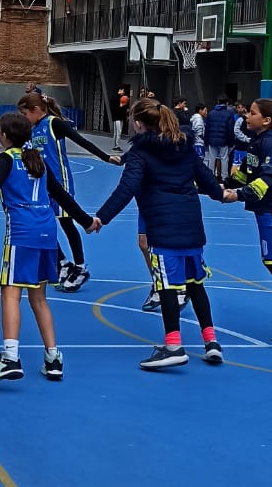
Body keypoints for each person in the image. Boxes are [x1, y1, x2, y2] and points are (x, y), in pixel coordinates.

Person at [93, 95, 225, 370]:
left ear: (138, 124)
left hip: (163, 229)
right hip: (191, 226)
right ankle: (211, 342)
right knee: (195, 284)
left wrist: (101, 217)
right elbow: (207, 180)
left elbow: (126, 189)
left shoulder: (141, 153)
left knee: (166, 286)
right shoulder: (184, 147)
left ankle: (173, 346)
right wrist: (224, 194)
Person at [0, 112, 95, 385]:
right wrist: (86, 221)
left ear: (3, 135)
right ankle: (53, 357)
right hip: (47, 232)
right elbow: (61, 196)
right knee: (39, 298)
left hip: (22, 233)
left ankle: (10, 358)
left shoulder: (4, 159)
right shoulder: (37, 159)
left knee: (10, 294)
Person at [18, 90, 122, 291]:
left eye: (25, 114)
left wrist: (105, 157)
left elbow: (81, 140)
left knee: (66, 223)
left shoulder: (53, 123)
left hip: (60, 182)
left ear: (36, 110)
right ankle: (63, 264)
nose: (24, 119)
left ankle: (81, 267)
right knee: (41, 224)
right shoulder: (33, 129)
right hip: (43, 184)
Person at [224, 98, 272, 277]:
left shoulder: (269, 143)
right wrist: (219, 185)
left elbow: (268, 177)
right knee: (269, 260)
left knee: (270, 260)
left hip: (269, 209)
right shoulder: (255, 142)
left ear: (266, 121)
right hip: (264, 210)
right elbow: (244, 174)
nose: (246, 116)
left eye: (252, 113)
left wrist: (238, 195)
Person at [205, 95, 236, 179]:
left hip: (211, 140)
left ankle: (210, 176)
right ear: (227, 103)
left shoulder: (211, 113)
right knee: (224, 159)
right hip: (224, 140)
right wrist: (231, 142)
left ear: (218, 101)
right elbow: (230, 129)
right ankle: (224, 177)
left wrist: (206, 141)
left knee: (211, 158)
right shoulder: (229, 114)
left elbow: (207, 128)